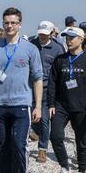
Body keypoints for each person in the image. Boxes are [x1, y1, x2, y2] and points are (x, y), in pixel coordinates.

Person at [0, 7, 43, 173]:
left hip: (21, 105)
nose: (9, 26)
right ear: (3, 24)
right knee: (2, 148)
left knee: (19, 145)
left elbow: (37, 78)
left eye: (13, 22)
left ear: (20, 24)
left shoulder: (30, 49)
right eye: (6, 22)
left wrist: (38, 106)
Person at [48, 27, 86, 173]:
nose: (68, 40)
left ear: (81, 39)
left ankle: (82, 172)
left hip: (82, 106)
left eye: (72, 37)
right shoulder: (60, 59)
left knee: (81, 141)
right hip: (61, 105)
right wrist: (51, 104)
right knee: (55, 136)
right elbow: (52, 83)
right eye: (67, 37)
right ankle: (65, 168)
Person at [29, 21, 65, 163]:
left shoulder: (57, 49)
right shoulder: (31, 44)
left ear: (51, 33)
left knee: (44, 119)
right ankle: (35, 132)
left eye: (45, 34)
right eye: (40, 34)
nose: (42, 36)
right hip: (29, 86)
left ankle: (42, 149)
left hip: (46, 88)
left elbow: (60, 70)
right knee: (30, 118)